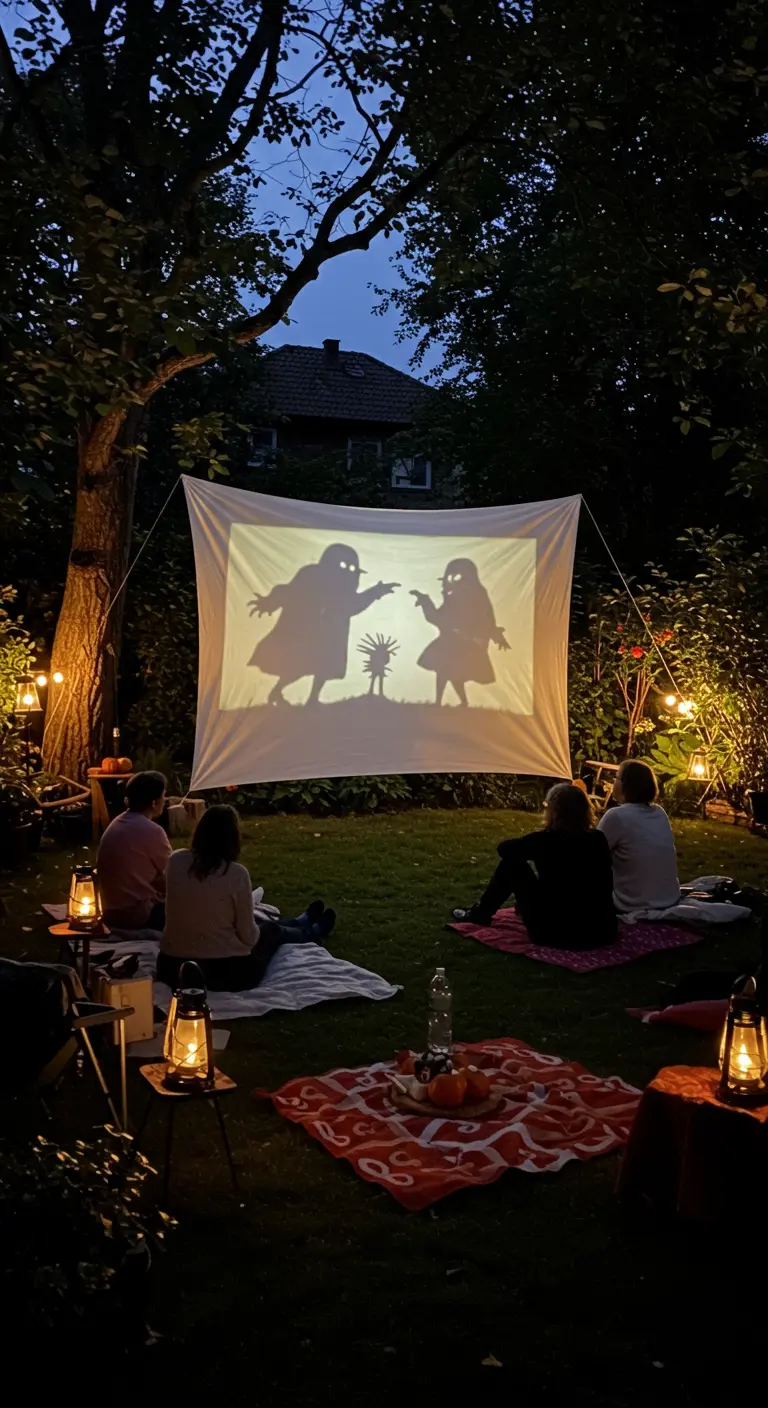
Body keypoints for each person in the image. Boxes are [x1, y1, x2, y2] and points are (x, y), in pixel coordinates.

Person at [157, 804, 336, 992]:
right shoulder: (235, 874)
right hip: (226, 972)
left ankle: (301, 922)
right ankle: (310, 932)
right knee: (269, 931)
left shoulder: (176, 861)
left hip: (172, 968)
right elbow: (249, 937)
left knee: (264, 925)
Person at [452, 783, 617, 949]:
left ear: (555, 812)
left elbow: (504, 848)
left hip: (555, 933)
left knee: (511, 866)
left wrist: (535, 842)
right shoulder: (598, 839)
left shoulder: (545, 840)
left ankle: (482, 913)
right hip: (602, 931)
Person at [247, 543, 400, 705]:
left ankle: (312, 698)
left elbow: (353, 604)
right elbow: (288, 591)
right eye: (343, 566)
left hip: (332, 634)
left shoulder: (347, 587)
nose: (347, 571)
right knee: (299, 665)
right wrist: (270, 603)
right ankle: (277, 692)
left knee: (325, 666)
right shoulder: (311, 574)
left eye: (352, 568)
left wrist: (375, 592)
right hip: (306, 631)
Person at [411, 558, 509, 706]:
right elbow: (438, 618)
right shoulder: (454, 597)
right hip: (449, 640)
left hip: (465, 642)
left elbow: (486, 617)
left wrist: (492, 634)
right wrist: (425, 601)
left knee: (449, 671)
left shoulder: (476, 594)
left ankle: (451, 702)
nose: (451, 581)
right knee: (447, 671)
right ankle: (446, 702)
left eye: (455, 577)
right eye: (449, 578)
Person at [597, 760, 681, 914]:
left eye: (615, 778)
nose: (612, 782)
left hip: (632, 904)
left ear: (625, 784)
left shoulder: (616, 816)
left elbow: (589, 854)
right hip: (669, 899)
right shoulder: (659, 813)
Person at [98, 771, 171, 930]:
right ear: (154, 802)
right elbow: (172, 876)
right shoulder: (152, 831)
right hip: (136, 915)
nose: (165, 801)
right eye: (163, 796)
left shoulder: (117, 823)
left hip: (109, 910)